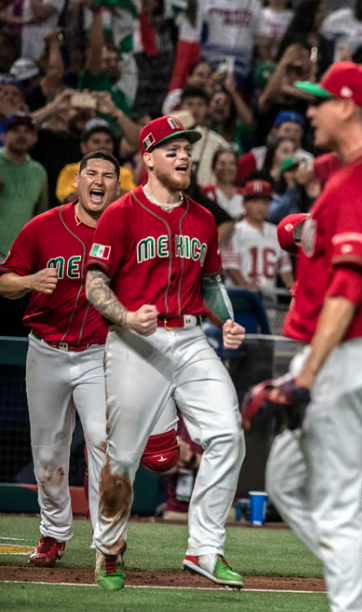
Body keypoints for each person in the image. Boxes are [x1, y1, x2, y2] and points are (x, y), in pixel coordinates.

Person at [263, 62, 362, 612]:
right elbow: (330, 164)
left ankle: (357, 601)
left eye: (320, 100)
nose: (310, 110)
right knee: (286, 477)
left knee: (329, 489)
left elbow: (347, 286)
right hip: (359, 346)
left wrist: (304, 374)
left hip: (345, 346)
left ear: (346, 106)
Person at [84, 116, 247, 591]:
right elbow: (95, 283)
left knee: (227, 434)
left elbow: (212, 282)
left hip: (192, 337)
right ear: (149, 158)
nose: (184, 156)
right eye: (172, 148)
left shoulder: (203, 218)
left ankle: (204, 547)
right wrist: (127, 316)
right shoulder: (122, 212)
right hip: (136, 341)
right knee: (124, 460)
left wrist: (228, 319)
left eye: (187, 150)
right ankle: (110, 548)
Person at [0, 151, 121, 567]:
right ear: (76, 182)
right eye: (92, 173)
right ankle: (53, 534)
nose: (99, 180)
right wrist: (31, 280)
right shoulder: (43, 226)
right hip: (46, 350)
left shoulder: (124, 232)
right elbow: (5, 282)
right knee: (49, 452)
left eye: (108, 175)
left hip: (98, 354)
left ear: (117, 187)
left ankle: (108, 540)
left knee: (104, 444)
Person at [222, 179, 294, 291]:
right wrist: (247, 288)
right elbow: (231, 267)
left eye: (264, 202)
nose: (260, 206)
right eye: (255, 201)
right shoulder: (235, 230)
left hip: (270, 298)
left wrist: (293, 291)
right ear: (244, 204)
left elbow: (285, 270)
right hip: (239, 297)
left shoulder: (277, 232)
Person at [0, 112, 47, 256]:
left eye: (27, 131)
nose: (22, 135)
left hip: (19, 255)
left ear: (34, 138)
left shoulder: (38, 172)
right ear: (3, 136)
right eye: (15, 131)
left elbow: (41, 216)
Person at [56, 126, 137, 203]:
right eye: (96, 141)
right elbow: (70, 198)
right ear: (83, 147)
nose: (103, 146)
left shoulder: (124, 172)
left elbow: (132, 199)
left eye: (107, 141)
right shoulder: (70, 170)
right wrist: (113, 192)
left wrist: (91, 192)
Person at [201, 148, 244, 220]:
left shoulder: (245, 195)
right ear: (214, 167)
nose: (227, 167)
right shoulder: (204, 193)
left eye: (232, 163)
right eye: (222, 163)